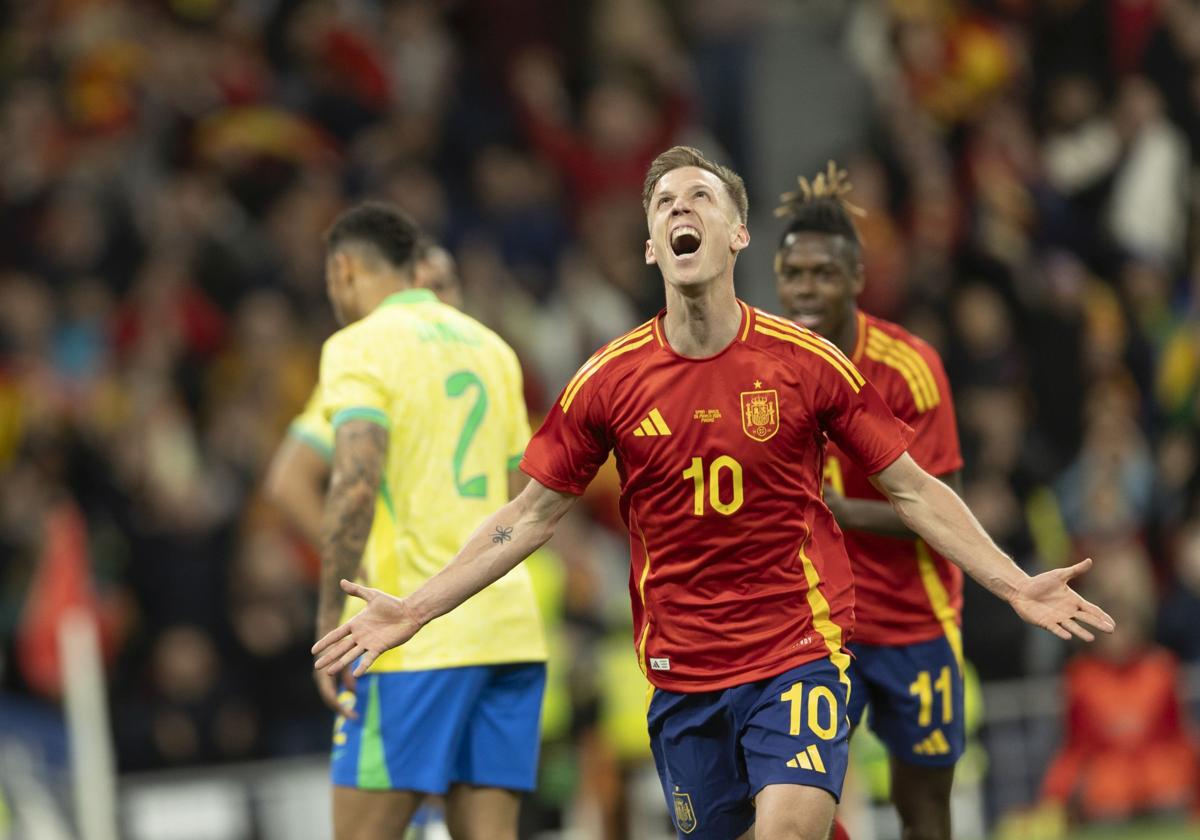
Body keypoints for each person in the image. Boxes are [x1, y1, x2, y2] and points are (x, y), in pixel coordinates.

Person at [313, 147, 1114, 840]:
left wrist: (1013, 583)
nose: (679, 209)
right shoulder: (609, 381)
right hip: (683, 673)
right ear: (654, 247)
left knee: (795, 821)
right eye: (664, 203)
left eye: (700, 197)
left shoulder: (806, 365)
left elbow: (914, 490)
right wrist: (414, 609)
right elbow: (528, 517)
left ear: (736, 235)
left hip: (798, 651)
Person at [305, 204, 547, 840]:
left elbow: (354, 483)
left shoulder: (357, 346)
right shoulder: (492, 348)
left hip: (411, 639)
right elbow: (517, 495)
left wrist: (332, 614)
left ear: (343, 270)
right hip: (507, 630)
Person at [773, 162, 964, 840]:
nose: (806, 289)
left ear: (857, 279)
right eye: (794, 275)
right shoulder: (763, 370)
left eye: (823, 274)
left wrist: (838, 511)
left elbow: (945, 509)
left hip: (915, 618)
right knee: (799, 803)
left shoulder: (908, 366)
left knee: (925, 807)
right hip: (819, 628)